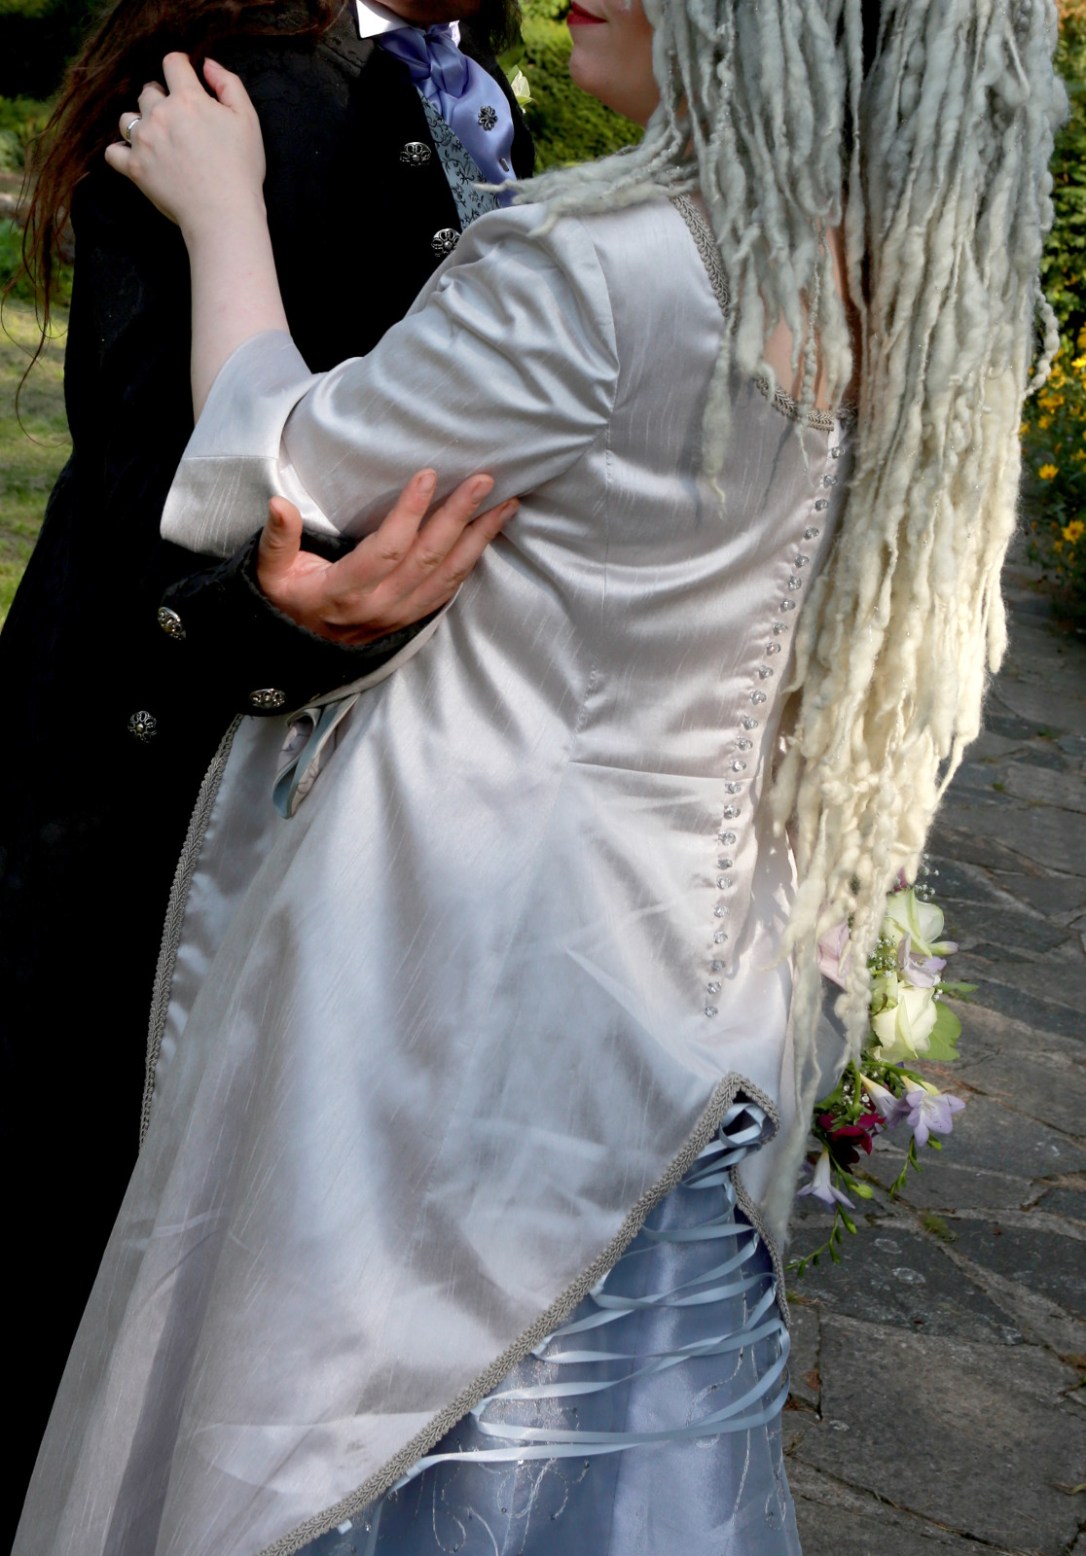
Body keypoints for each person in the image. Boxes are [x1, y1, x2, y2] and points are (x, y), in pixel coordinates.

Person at [16, 1, 1064, 1552]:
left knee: (335, 1442)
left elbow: (282, 468)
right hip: (695, 1015)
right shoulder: (920, 304)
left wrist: (223, 210)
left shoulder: (611, 269)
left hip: (456, 994)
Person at [0, 0, 531, 1539]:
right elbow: (144, 488)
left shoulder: (470, 91)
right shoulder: (231, 81)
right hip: (136, 799)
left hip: (338, 814)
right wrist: (295, 624)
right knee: (62, 1260)